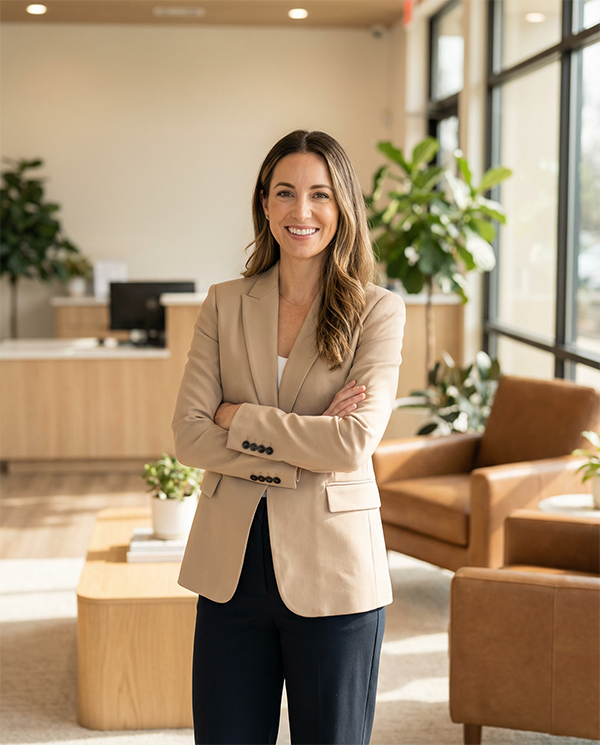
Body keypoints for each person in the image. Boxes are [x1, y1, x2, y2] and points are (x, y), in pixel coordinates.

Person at [172, 129, 405, 745]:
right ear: (265, 205)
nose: (302, 211)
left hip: (336, 569)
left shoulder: (377, 311)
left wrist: (237, 417)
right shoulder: (224, 304)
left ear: (343, 207)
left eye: (320, 195)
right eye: (286, 193)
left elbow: (352, 444)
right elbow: (191, 437)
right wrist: (307, 442)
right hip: (231, 566)